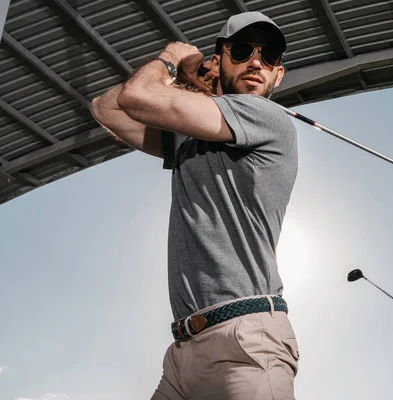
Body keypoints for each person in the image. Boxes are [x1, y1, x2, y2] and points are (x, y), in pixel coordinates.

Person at [91, 11, 300, 400]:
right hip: (183, 351)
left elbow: (136, 97)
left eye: (268, 57)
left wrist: (171, 58)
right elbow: (105, 108)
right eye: (242, 50)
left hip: (246, 342)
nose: (256, 62)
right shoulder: (189, 139)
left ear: (278, 74)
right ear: (217, 61)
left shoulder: (267, 116)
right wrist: (190, 84)